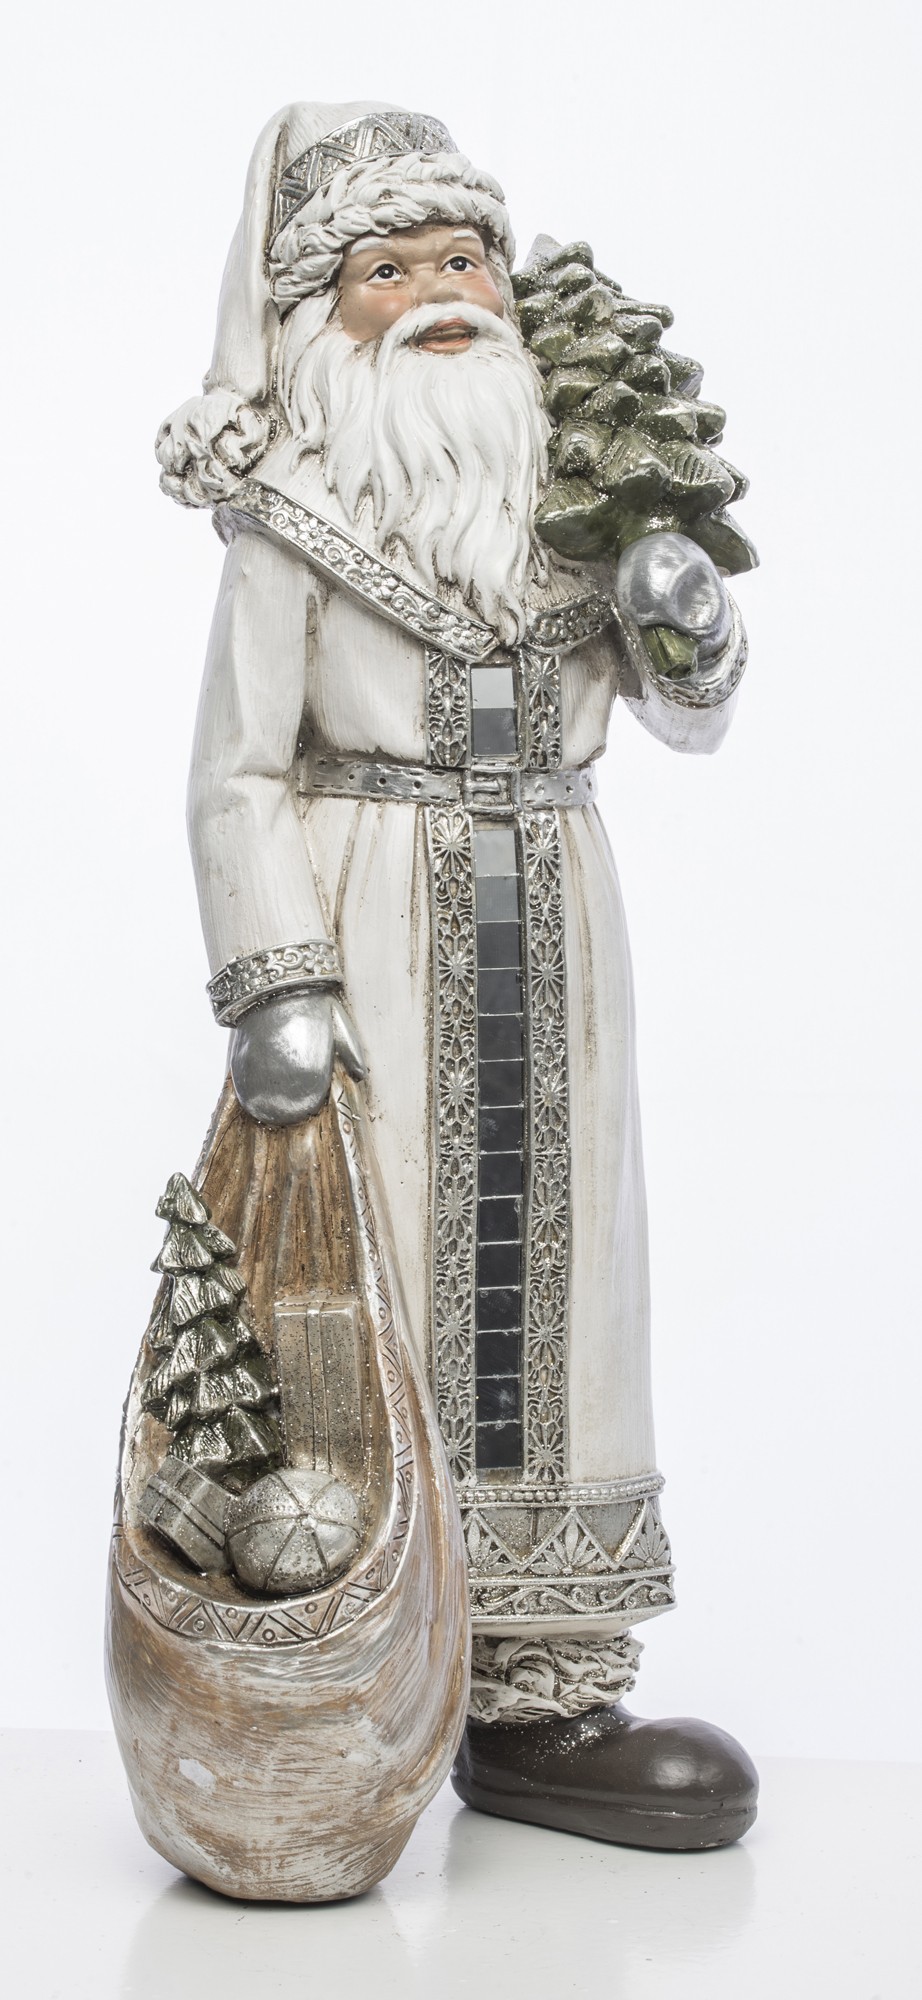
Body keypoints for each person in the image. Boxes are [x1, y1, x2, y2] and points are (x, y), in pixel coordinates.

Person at [157, 99, 758, 1849]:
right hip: (372, 918)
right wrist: (275, 978)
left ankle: (540, 1694)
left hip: (555, 918)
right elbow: (236, 770)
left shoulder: (574, 500)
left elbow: (689, 715)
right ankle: (340, 1674)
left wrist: (685, 614)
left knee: (562, 1278)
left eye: (463, 257)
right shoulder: (294, 520)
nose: (438, 291)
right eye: (387, 267)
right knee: (374, 1282)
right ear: (315, 312)